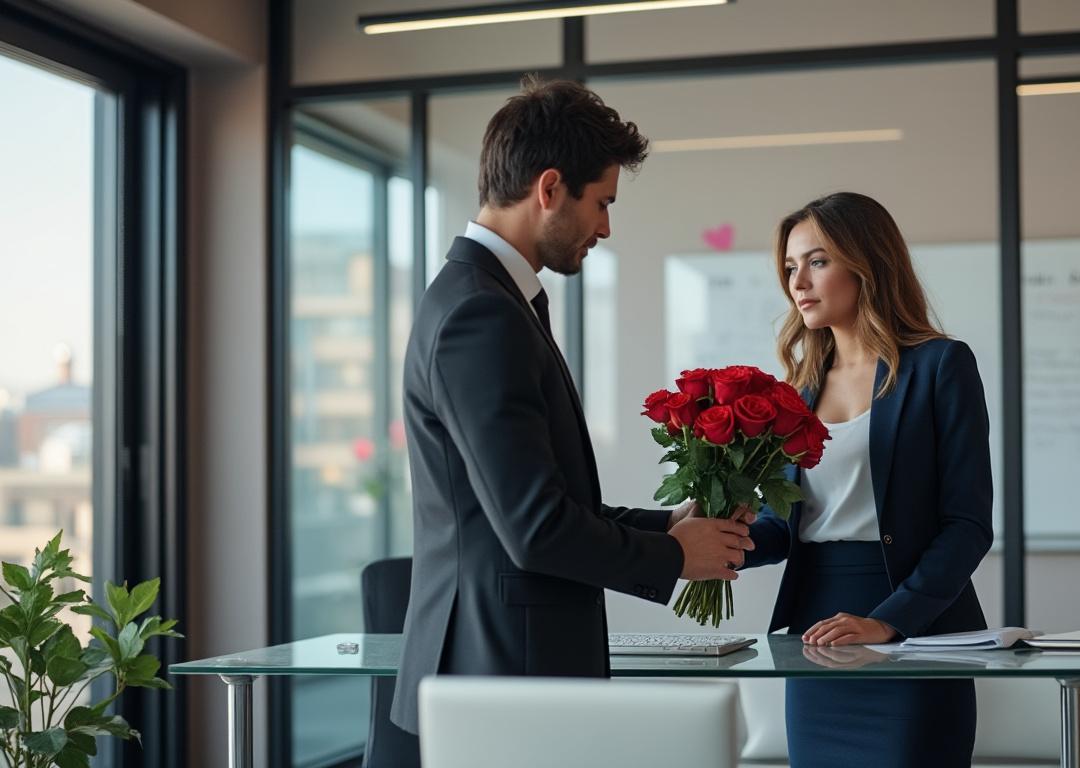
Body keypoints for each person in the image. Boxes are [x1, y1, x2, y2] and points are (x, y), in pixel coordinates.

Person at [388, 77, 754, 748]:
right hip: (502, 676)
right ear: (549, 189)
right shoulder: (481, 313)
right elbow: (535, 530)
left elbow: (537, 504)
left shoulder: (493, 299)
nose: (606, 228)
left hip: (503, 671)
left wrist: (669, 523)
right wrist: (672, 556)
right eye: (602, 204)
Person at [740, 192, 993, 767]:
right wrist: (715, 541)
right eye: (789, 267)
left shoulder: (940, 366)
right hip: (815, 637)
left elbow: (968, 524)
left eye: (818, 261)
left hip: (911, 629)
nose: (798, 282)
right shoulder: (796, 389)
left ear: (866, 263)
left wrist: (888, 620)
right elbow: (785, 526)